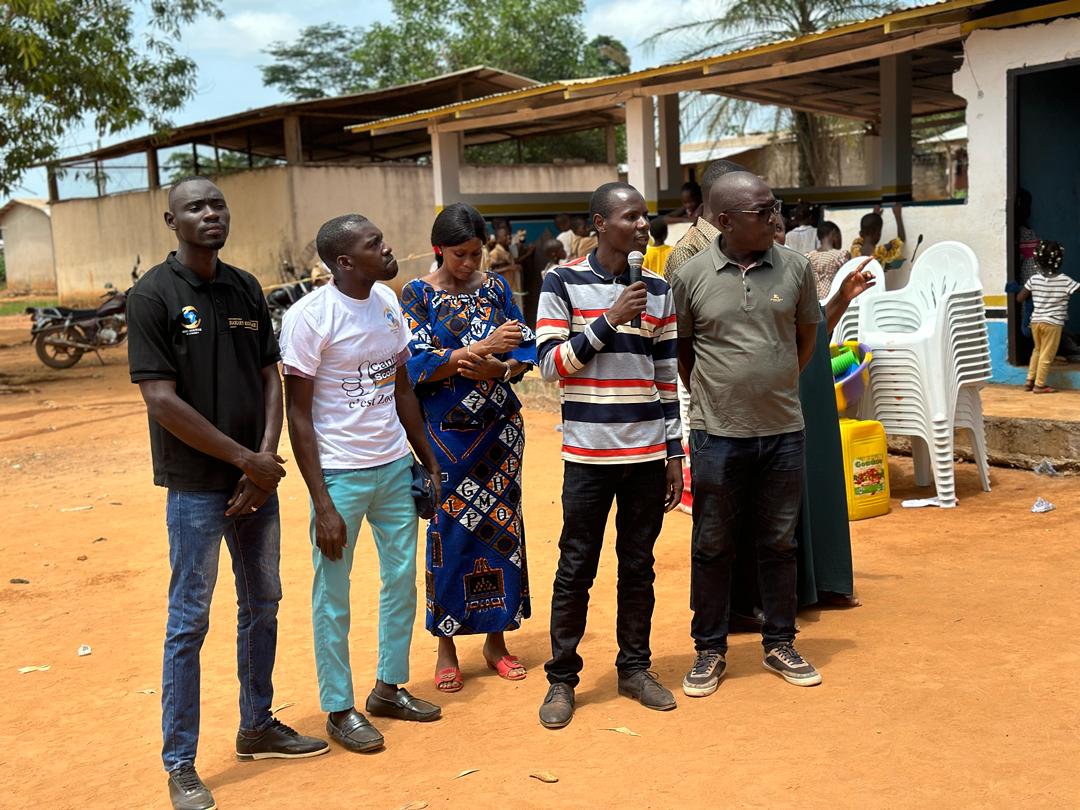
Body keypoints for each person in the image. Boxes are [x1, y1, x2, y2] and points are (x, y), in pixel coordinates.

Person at [127, 176, 328, 810]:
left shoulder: (245, 287)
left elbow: (271, 377)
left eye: (217, 205)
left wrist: (263, 462)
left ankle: (256, 725)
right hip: (196, 487)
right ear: (172, 221)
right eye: (196, 207)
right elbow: (161, 400)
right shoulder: (152, 296)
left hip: (254, 485)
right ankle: (180, 763)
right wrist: (246, 459)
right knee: (189, 620)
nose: (210, 214)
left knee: (263, 602)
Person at [281, 214, 444, 756]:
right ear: (345, 261)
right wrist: (322, 502)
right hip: (339, 476)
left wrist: (427, 459)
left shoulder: (388, 303)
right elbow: (298, 416)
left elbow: (402, 391)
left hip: (394, 467)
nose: (388, 248)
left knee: (400, 582)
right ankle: (338, 707)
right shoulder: (310, 318)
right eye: (375, 244)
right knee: (333, 595)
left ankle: (388, 688)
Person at [535, 181, 684, 730]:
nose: (643, 226)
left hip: (646, 453)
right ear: (600, 224)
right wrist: (609, 319)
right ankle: (561, 678)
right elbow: (550, 366)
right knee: (576, 566)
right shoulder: (561, 281)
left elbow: (665, 377)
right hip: (588, 455)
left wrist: (674, 453)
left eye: (645, 217)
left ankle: (634, 669)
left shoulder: (659, 289)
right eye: (630, 217)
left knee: (638, 566)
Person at [671, 171, 823, 698]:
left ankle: (780, 642)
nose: (774, 217)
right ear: (726, 221)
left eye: (773, 206)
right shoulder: (689, 276)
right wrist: (723, 396)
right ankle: (709, 650)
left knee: (779, 543)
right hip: (716, 434)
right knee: (712, 544)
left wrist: (772, 385)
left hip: (783, 432)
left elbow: (805, 339)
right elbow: (684, 354)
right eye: (763, 211)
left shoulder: (796, 268)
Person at [399, 203, 537, 693]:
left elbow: (525, 349)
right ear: (439, 249)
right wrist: (478, 350)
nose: (469, 262)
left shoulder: (496, 288)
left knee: (501, 531)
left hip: (499, 434)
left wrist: (501, 367)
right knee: (447, 533)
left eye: (476, 253)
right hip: (445, 438)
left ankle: (496, 642)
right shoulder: (416, 295)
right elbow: (415, 366)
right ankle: (447, 648)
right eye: (460, 254)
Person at [1017, 240, 1077, 393]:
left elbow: (1020, 298)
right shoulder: (1065, 281)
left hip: (1036, 322)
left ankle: (1029, 381)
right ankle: (1040, 385)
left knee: (1037, 350)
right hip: (1053, 324)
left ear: (1037, 260)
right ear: (1059, 261)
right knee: (1047, 354)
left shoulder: (1034, 279)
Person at [851, 203, 905, 270]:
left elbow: (863, 236)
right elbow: (901, 239)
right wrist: (898, 216)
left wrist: (874, 215)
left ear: (861, 234)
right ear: (879, 235)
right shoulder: (881, 252)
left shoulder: (854, 248)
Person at [807, 221, 851, 300]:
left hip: (813, 302)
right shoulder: (840, 256)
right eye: (839, 235)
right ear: (833, 233)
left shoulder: (808, 256)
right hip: (833, 301)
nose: (840, 240)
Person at [488, 224, 524, 295]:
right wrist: (509, 268)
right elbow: (490, 272)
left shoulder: (507, 251)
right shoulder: (495, 253)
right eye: (505, 235)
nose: (509, 237)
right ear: (498, 239)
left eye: (509, 235)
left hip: (511, 290)